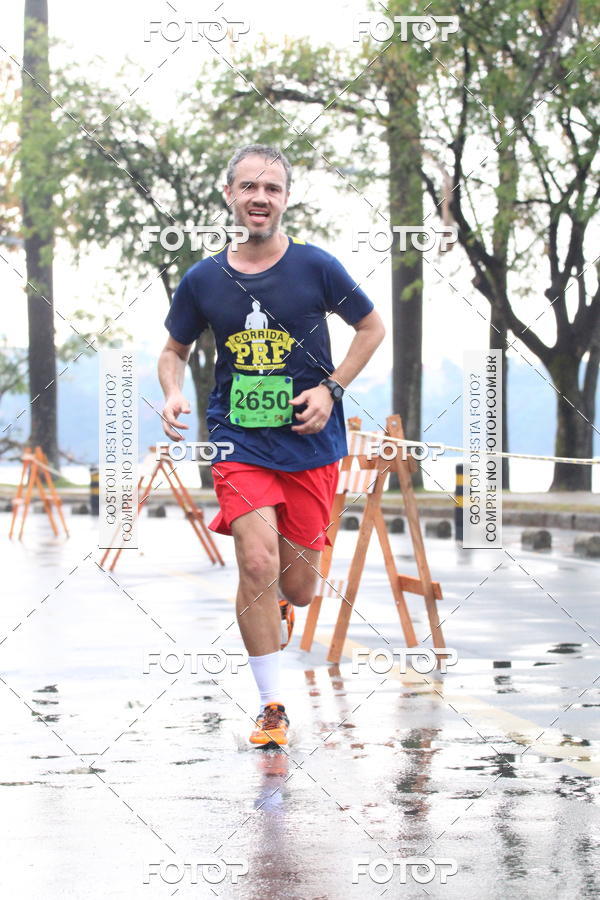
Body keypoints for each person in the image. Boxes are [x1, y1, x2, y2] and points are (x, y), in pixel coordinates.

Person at [158, 144, 385, 748]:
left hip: (311, 445)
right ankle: (271, 708)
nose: (260, 198)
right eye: (249, 187)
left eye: (272, 188)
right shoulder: (203, 278)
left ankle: (280, 605)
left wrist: (331, 389)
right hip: (238, 441)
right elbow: (173, 350)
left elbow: (371, 327)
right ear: (229, 194)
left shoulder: (316, 267)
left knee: (299, 589)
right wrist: (173, 393)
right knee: (255, 563)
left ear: (285, 199)